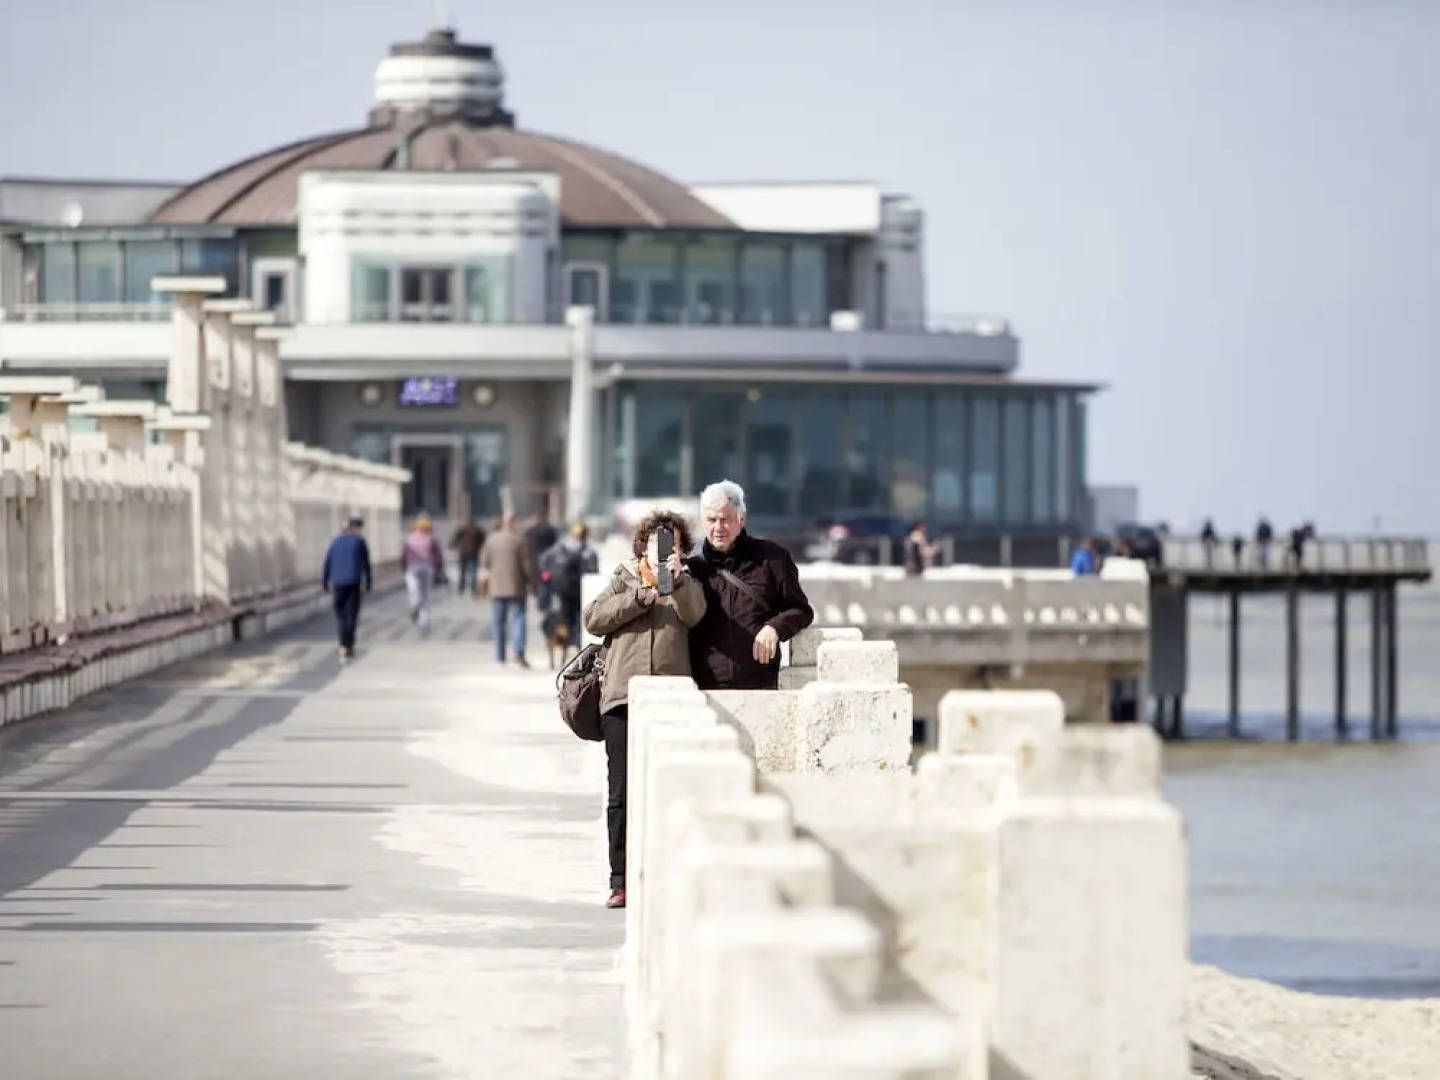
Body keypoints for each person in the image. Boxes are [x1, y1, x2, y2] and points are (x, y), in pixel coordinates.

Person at [583, 509, 705, 910]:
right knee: (620, 793)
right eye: (656, 542)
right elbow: (594, 619)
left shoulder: (689, 582)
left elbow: (695, 615)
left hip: (670, 699)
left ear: (682, 550)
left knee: (668, 792)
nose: (663, 549)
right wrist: (641, 597)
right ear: (643, 546)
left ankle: (661, 874)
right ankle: (620, 880)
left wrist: (677, 582)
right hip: (622, 696)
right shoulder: (624, 578)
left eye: (672, 544)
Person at [686, 480, 813, 691]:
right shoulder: (692, 566)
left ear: (741, 519)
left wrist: (775, 628)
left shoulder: (773, 559)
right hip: (704, 688)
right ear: (703, 521)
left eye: (725, 520)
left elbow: (801, 610)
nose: (718, 528)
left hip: (761, 685)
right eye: (711, 520)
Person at [479, 512, 536, 667]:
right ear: (514, 523)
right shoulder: (520, 540)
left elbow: (484, 565)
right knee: (518, 619)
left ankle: (500, 656)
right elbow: (527, 566)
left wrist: (482, 586)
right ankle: (518, 652)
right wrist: (533, 585)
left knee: (498, 622)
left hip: (496, 587)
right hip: (516, 587)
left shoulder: (491, 540)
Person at [540, 523, 600, 645]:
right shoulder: (588, 551)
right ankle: (577, 642)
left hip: (560, 589)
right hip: (579, 589)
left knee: (563, 616)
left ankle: (565, 641)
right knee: (579, 616)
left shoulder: (557, 549)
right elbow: (593, 571)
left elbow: (545, 566)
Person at [322, 517, 372, 661]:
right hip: (354, 582)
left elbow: (327, 562)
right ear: (352, 528)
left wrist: (324, 582)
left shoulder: (334, 542)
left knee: (341, 616)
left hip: (337, 583)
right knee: (352, 615)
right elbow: (366, 563)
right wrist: (368, 582)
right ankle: (348, 646)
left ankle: (344, 645)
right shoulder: (359, 541)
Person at [402, 514, 447, 632]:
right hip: (427, 567)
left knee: (414, 592)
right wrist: (439, 570)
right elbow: (438, 557)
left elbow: (403, 555)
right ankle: (424, 619)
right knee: (425, 594)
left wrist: (403, 567)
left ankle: (415, 608)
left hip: (412, 568)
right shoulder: (432, 539)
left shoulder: (410, 539)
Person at [524, 512, 560, 611]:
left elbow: (526, 544)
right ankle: (544, 602)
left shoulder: (530, 531)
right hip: (548, 561)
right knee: (546, 581)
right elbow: (555, 544)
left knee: (540, 582)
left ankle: (541, 603)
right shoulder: (550, 530)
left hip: (535, 561)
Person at [449, 515, 486, 596]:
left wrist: (452, 545)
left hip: (463, 553)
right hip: (473, 553)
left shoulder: (462, 529)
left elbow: (456, 539)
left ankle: (461, 588)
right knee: (473, 572)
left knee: (462, 571)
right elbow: (483, 540)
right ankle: (473, 589)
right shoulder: (478, 530)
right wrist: (480, 547)